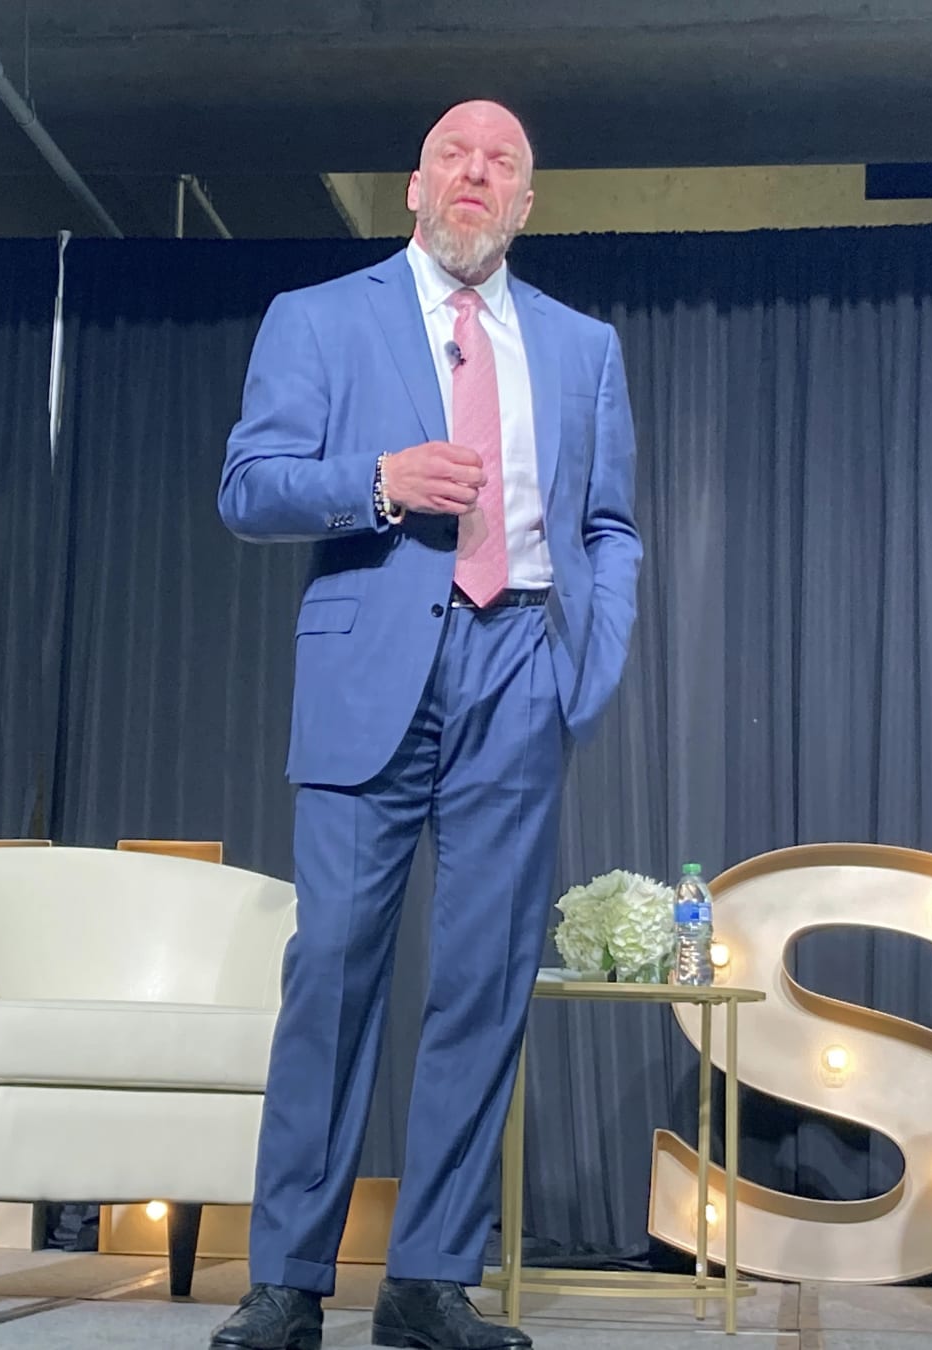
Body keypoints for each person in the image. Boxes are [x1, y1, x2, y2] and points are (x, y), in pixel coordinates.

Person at [211, 99, 642, 1350]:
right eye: (455, 154)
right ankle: (289, 1278)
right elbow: (248, 487)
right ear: (414, 187)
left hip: (521, 664)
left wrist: (584, 671)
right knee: (334, 971)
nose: (477, 172)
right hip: (371, 673)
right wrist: (379, 485)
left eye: (502, 161)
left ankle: (428, 1280)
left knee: (483, 983)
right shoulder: (320, 317)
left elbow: (608, 523)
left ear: (525, 203)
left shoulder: (582, 346)